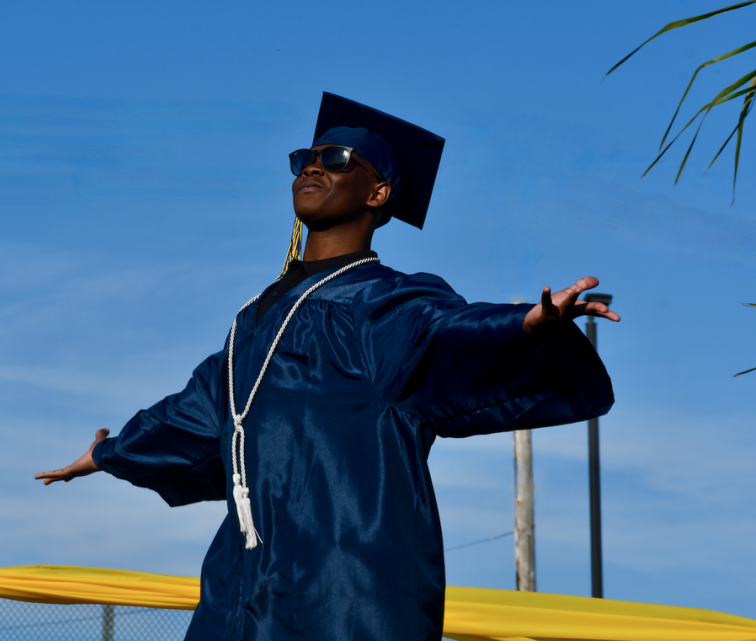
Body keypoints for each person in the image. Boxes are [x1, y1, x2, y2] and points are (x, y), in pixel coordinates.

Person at [35, 93, 619, 641]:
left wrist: (524, 325)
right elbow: (198, 412)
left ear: (379, 193)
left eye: (336, 160)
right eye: (304, 160)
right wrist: (108, 454)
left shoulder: (382, 303)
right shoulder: (254, 321)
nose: (311, 169)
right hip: (244, 583)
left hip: (348, 587)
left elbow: (442, 333)